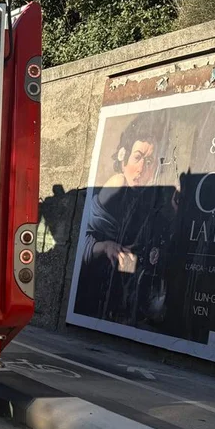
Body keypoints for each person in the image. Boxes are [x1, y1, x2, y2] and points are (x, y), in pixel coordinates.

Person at [75, 116, 170, 324]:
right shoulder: (117, 186)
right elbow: (82, 241)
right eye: (137, 157)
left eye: (149, 162)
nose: (142, 168)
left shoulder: (147, 196)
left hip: (119, 292)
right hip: (96, 292)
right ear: (123, 156)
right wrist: (105, 246)